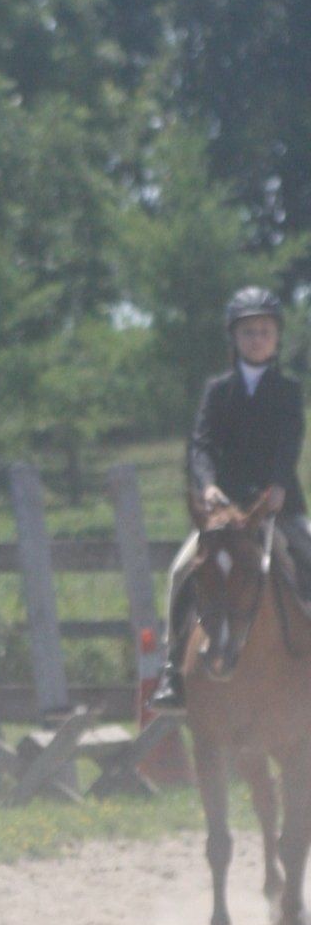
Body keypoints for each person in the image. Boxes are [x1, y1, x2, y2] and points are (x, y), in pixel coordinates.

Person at [152, 285, 307, 708]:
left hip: (278, 506)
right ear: (234, 339)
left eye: (264, 330)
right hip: (225, 512)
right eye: (248, 332)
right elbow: (201, 443)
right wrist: (207, 484)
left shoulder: (289, 390)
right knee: (181, 571)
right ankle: (171, 671)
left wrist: (277, 485)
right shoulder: (217, 390)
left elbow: (290, 442)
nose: (256, 338)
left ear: (276, 338)